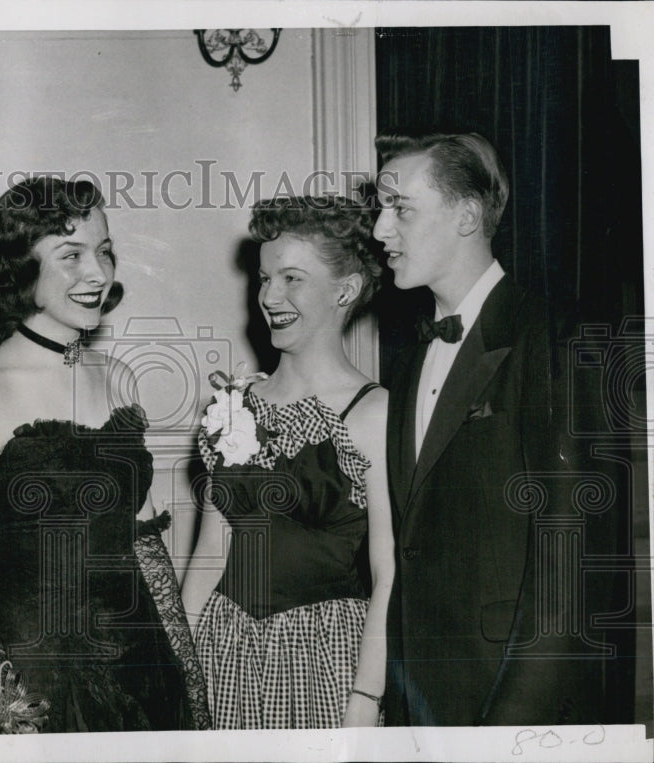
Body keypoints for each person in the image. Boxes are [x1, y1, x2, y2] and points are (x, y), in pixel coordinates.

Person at [0, 176, 210, 733]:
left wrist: (188, 675)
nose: (98, 273)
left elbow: (146, 550)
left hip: (143, 668)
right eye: (71, 255)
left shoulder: (117, 377)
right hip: (42, 686)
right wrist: (10, 715)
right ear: (20, 268)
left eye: (105, 251)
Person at [374, 128, 613, 725]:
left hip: (506, 709)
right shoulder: (407, 360)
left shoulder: (552, 337)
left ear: (467, 215)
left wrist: (510, 733)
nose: (379, 230)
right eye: (381, 208)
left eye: (400, 208)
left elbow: (569, 572)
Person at [180, 196, 395, 729]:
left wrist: (366, 699)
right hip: (224, 651)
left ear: (345, 290)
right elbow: (209, 554)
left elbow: (388, 573)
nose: (269, 296)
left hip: (324, 659)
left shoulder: (374, 412)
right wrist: (180, 670)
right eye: (264, 278)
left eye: (292, 279)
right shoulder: (233, 405)